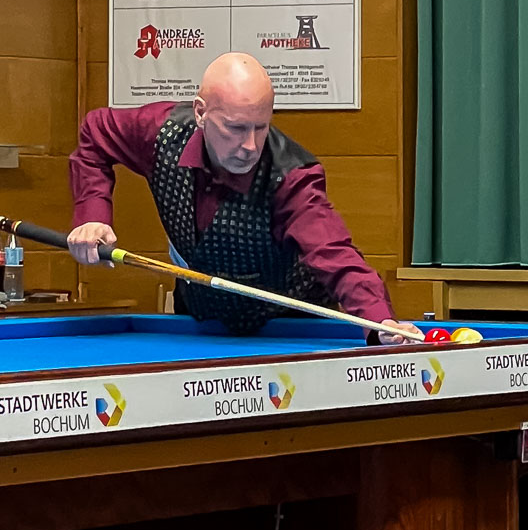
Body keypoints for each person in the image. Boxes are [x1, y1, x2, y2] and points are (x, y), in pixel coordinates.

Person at [66, 52, 420, 343]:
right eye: (235, 128)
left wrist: (380, 321)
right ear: (201, 112)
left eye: (260, 127)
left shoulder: (289, 177)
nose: (250, 145)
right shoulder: (161, 133)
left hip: (290, 331)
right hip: (200, 327)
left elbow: (335, 254)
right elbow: (95, 133)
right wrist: (93, 214)